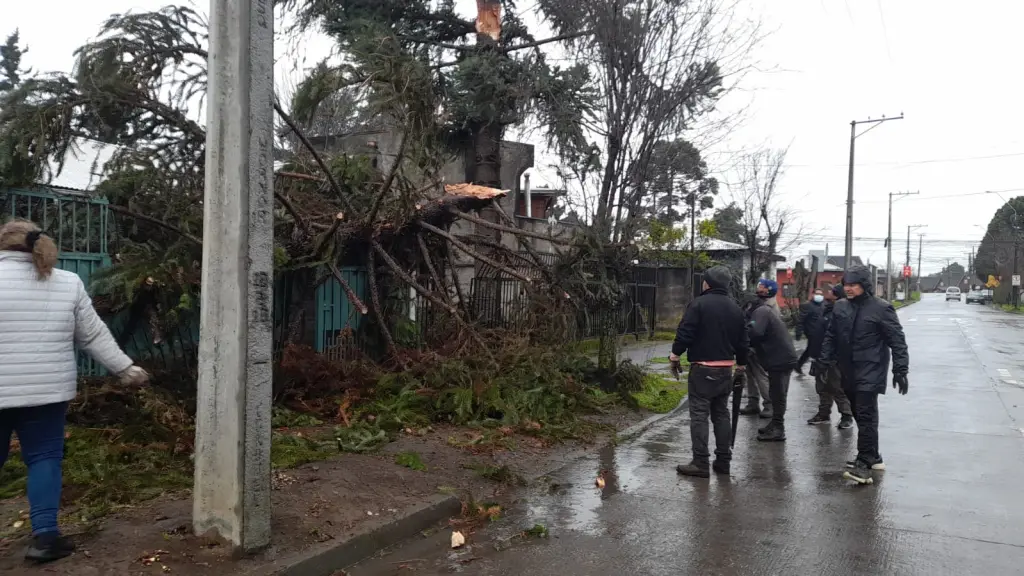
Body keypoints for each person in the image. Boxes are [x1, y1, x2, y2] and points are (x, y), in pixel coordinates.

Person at [0, 221, 150, 562]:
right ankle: (45, 539)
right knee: (44, 459)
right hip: (46, 392)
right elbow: (93, 335)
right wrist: (126, 370)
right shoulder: (66, 282)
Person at [820, 265, 909, 485]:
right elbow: (831, 336)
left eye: (853, 285)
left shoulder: (881, 309)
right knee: (860, 413)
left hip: (872, 368)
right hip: (847, 369)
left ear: (864, 286)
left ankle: (864, 463)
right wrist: (822, 361)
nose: (848, 289)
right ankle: (874, 456)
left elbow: (897, 341)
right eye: (846, 285)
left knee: (866, 414)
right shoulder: (840, 307)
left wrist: (900, 369)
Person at [670, 265, 749, 478]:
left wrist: (675, 354)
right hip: (725, 370)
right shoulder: (735, 308)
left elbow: (685, 332)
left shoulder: (699, 304)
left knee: (699, 416)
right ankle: (723, 461)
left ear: (707, 283)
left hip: (702, 370)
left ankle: (700, 463)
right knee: (721, 414)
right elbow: (743, 341)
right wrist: (741, 364)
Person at [746, 282, 798, 442]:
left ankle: (778, 428)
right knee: (777, 393)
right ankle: (775, 424)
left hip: (779, 358)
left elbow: (755, 332)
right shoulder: (763, 310)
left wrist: (743, 340)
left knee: (778, 394)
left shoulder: (761, 311)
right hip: (780, 356)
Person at [806, 285, 853, 429]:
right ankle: (823, 414)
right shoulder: (825, 309)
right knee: (822, 387)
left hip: (833, 358)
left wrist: (831, 357)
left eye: (832, 291)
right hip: (819, 355)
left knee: (837, 387)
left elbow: (838, 337)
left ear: (837, 295)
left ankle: (846, 416)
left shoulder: (840, 312)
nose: (828, 292)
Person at [739, 279, 781, 419]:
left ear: (768, 290)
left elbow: (761, 329)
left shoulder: (770, 307)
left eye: (761, 287)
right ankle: (753, 402)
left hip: (761, 347)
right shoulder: (758, 304)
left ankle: (769, 404)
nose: (758, 288)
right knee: (750, 374)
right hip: (752, 345)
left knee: (761, 376)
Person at [793, 289, 825, 375]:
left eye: (821, 294)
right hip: (812, 332)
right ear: (813, 294)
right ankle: (815, 369)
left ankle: (798, 365)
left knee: (810, 350)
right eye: (817, 294)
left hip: (822, 332)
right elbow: (801, 320)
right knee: (815, 351)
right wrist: (798, 332)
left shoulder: (824, 305)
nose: (819, 296)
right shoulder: (807, 306)